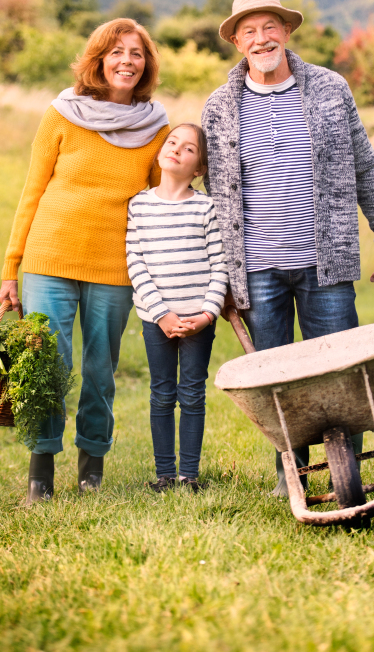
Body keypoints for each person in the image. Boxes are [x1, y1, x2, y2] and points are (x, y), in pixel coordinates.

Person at [201, 0, 374, 495]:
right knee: (278, 382)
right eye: (249, 31)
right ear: (237, 42)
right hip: (258, 269)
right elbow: (213, 197)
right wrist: (219, 277)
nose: (261, 38)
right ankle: (291, 476)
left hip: (325, 263)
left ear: (287, 32)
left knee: (343, 373)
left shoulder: (330, 88)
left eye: (270, 27)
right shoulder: (219, 107)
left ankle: (347, 475)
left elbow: (364, 166)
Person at [0, 18, 170, 503]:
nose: (126, 62)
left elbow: (163, 201)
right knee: (46, 366)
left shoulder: (158, 128)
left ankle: (91, 468)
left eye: (136, 53)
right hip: (49, 257)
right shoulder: (61, 115)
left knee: (100, 370)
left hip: (116, 265)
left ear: (147, 64)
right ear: (97, 60)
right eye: (116, 52)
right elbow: (31, 192)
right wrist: (11, 267)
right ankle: (40, 476)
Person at [126, 124, 228, 491]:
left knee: (192, 393)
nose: (176, 150)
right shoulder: (139, 205)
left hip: (198, 319)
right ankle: (165, 474)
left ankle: (189, 475)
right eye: (172, 143)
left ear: (198, 168)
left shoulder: (206, 208)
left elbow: (220, 266)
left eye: (188, 149)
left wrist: (206, 314)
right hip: (157, 319)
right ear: (160, 151)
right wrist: (161, 314)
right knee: (162, 392)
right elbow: (135, 263)